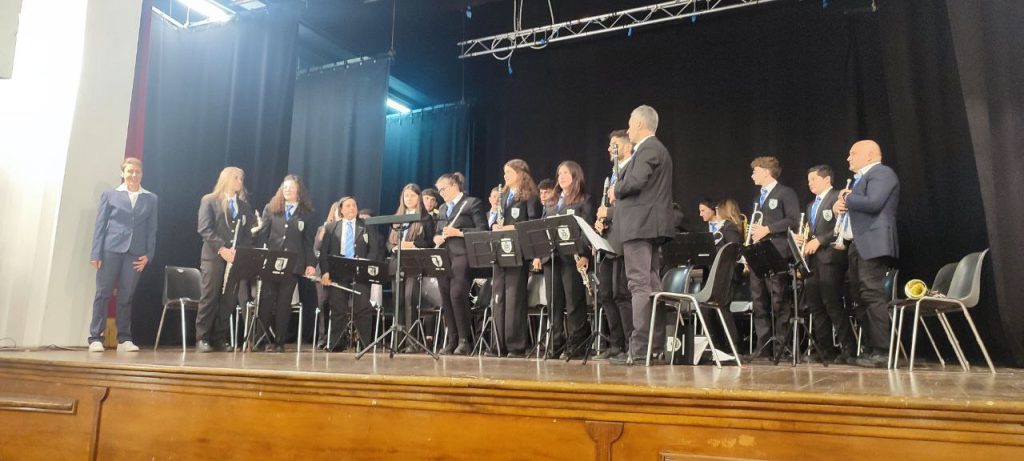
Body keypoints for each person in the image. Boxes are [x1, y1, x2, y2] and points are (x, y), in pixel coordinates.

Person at [607, 105, 676, 365]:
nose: (627, 130)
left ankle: (639, 349)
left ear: (639, 124)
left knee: (638, 285)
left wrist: (616, 188)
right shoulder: (655, 149)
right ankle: (653, 348)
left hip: (640, 226)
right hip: (648, 226)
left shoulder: (648, 148)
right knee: (651, 286)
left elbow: (635, 181)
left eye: (629, 124)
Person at [833, 140, 900, 368]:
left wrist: (846, 197)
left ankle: (882, 350)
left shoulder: (881, 172)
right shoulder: (861, 179)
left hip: (873, 242)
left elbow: (873, 203)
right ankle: (870, 348)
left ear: (869, 155)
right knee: (859, 297)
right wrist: (838, 207)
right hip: (857, 244)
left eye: (853, 153)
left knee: (872, 294)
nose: (848, 158)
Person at [88, 157, 157, 352]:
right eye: (130, 171)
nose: (134, 175)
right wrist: (96, 253)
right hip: (110, 250)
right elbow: (100, 225)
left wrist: (149, 255)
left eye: (137, 172)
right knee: (103, 293)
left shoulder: (151, 198)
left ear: (142, 173)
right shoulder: (110, 195)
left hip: (135, 254)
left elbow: (152, 229)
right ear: (123, 173)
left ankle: (124, 338)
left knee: (126, 296)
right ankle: (95, 337)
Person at [794, 165, 853, 364]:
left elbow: (842, 226)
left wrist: (820, 240)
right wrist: (805, 240)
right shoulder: (811, 205)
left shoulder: (837, 197)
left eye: (814, 179)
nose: (809, 183)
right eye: (808, 180)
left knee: (832, 303)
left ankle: (848, 349)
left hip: (831, 259)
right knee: (816, 305)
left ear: (827, 179)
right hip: (813, 261)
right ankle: (825, 349)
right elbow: (813, 232)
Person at [253, 175, 317, 352]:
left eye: (291, 187)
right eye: (285, 187)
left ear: (299, 190)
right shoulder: (271, 208)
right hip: (272, 261)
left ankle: (279, 341)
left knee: (284, 303)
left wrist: (310, 264)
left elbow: (308, 242)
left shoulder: (307, 213)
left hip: (293, 264)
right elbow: (263, 235)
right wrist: (262, 257)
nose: (287, 190)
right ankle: (261, 339)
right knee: (266, 301)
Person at [746, 156, 801, 360]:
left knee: (778, 299)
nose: (752, 175)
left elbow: (793, 220)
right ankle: (763, 347)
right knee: (759, 300)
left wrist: (768, 228)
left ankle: (781, 346)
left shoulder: (785, 192)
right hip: (758, 252)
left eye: (755, 171)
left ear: (766, 172)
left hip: (777, 251)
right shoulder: (757, 197)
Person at [196, 167, 256, 353]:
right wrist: (222, 249)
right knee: (210, 296)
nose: (240, 182)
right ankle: (202, 338)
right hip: (214, 257)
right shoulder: (210, 200)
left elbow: (247, 235)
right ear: (226, 179)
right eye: (236, 178)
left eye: (241, 178)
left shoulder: (244, 206)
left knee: (228, 300)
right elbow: (205, 229)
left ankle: (219, 338)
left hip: (235, 259)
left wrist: (239, 252)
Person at [490, 159, 542, 358]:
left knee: (514, 298)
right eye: (504, 173)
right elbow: (496, 220)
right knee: (499, 297)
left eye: (509, 173)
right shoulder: (503, 196)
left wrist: (512, 227)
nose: (505, 176)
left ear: (520, 174)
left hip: (517, 251)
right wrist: (495, 225)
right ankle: (498, 343)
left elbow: (533, 223)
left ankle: (515, 345)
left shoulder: (530, 196)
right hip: (500, 249)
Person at [432, 172, 488, 355]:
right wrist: (437, 237)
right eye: (439, 191)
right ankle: (452, 339)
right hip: (444, 255)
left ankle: (465, 339)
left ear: (454, 185)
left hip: (463, 254)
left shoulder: (471, 203)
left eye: (443, 189)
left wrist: (459, 232)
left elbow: (482, 230)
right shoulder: (442, 209)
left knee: (456, 294)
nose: (441, 193)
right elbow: (438, 231)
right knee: (445, 296)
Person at [319, 196, 383, 351]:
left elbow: (374, 249)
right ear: (341, 209)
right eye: (348, 206)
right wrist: (325, 272)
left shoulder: (366, 226)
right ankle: (336, 343)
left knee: (363, 308)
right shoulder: (331, 227)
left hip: (360, 271)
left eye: (354, 205)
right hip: (338, 271)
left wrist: (366, 265)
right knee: (338, 308)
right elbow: (324, 253)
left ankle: (364, 344)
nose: (352, 208)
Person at [594, 129, 634, 361]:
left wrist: (608, 212)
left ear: (627, 147)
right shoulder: (613, 175)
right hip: (609, 240)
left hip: (624, 240)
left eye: (614, 145)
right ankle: (616, 343)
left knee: (622, 294)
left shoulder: (631, 170)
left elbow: (631, 207)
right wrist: (602, 221)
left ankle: (630, 344)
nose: (610, 148)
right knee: (606, 294)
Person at [385, 183, 436, 352]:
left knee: (409, 299)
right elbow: (389, 241)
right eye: (406, 196)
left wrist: (412, 244)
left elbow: (429, 242)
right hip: (397, 262)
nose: (409, 199)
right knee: (398, 301)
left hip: (414, 262)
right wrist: (393, 247)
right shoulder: (397, 217)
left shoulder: (425, 218)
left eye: (412, 195)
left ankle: (411, 342)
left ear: (418, 197)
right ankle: (398, 342)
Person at [314, 200, 341, 349]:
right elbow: (316, 249)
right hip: (323, 272)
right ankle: (323, 338)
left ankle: (337, 338)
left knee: (337, 305)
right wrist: (323, 233)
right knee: (323, 303)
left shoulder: (347, 228)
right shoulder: (323, 228)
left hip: (339, 271)